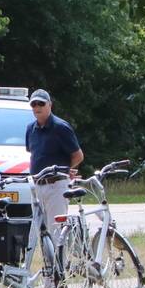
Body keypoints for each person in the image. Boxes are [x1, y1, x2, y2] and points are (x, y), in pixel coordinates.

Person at [25, 88, 84, 259]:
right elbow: (34, 153)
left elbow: (78, 155)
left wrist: (64, 170)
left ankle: (60, 269)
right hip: (37, 186)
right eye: (34, 104)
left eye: (41, 104)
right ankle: (49, 271)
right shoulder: (30, 129)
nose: (37, 107)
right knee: (40, 231)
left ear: (49, 105)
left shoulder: (61, 127)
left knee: (56, 231)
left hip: (56, 185)